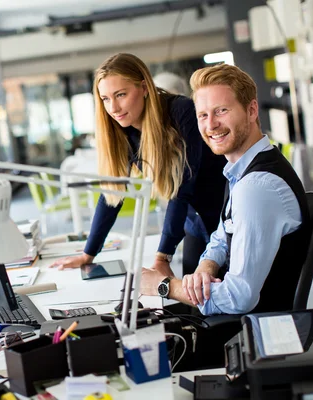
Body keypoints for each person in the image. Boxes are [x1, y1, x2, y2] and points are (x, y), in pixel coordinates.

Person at [140, 63, 311, 317]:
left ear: (252, 110)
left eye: (221, 111)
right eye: (202, 115)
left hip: (244, 331)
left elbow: (238, 297)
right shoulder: (242, 172)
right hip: (234, 321)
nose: (211, 125)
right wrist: (206, 267)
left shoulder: (256, 187)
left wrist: (163, 286)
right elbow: (222, 235)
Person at [50, 53, 227, 276]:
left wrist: (163, 255)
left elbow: (182, 187)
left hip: (226, 219)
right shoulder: (125, 132)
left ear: (144, 87)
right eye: (105, 99)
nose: (113, 107)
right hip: (194, 224)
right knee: (196, 301)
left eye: (121, 94)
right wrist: (89, 253)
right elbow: (112, 196)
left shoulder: (181, 112)